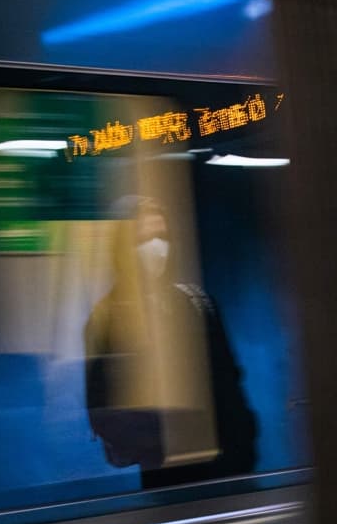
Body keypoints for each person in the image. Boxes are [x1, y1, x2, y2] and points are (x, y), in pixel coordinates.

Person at [84, 196, 257, 488]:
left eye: (162, 236)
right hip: (161, 473)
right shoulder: (106, 317)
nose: (156, 247)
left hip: (224, 467)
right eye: (144, 237)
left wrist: (242, 447)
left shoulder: (197, 302)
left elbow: (230, 384)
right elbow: (102, 404)